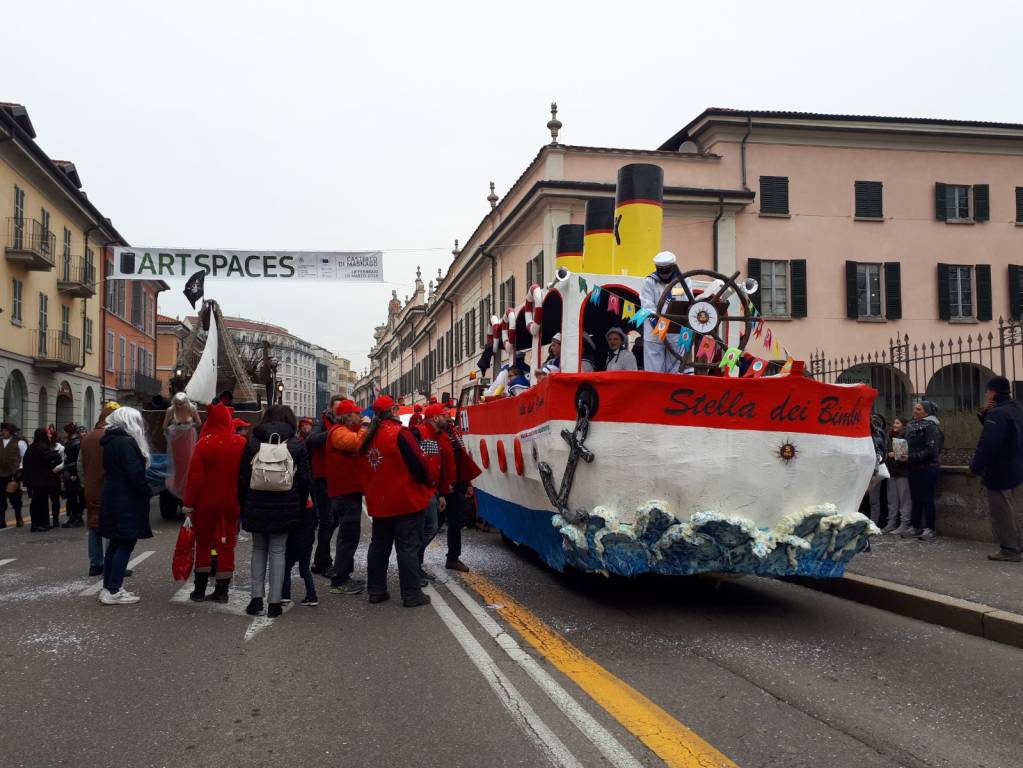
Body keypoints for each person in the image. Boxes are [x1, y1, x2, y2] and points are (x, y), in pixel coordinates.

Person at [360, 395, 437, 607]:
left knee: (379, 546)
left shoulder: (370, 435)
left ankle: (376, 590)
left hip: (380, 501)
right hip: (403, 499)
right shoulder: (399, 433)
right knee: (407, 547)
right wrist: (429, 482)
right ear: (394, 410)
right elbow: (418, 463)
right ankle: (411, 594)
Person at [237, 405, 310, 619]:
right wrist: (299, 503)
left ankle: (256, 599)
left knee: (258, 549)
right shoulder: (296, 444)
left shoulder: (253, 442)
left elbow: (242, 477)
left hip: (256, 502)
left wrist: (244, 503)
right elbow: (305, 479)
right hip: (286, 504)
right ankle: (275, 603)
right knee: (278, 551)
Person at [182, 403, 247, 602]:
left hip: (206, 503)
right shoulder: (240, 443)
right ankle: (222, 591)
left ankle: (199, 590)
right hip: (231, 502)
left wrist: (188, 505)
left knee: (203, 544)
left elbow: (194, 478)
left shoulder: (203, 443)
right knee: (227, 545)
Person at [98, 408, 153, 605]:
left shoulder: (111, 441)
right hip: (126, 499)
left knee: (115, 542)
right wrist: (147, 490)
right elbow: (135, 474)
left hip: (114, 495)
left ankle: (109, 587)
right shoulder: (127, 443)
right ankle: (114, 589)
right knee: (125, 542)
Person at [969, 377, 1023, 561]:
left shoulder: (998, 413)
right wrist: (985, 416)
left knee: (1002, 510)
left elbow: (989, 443)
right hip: (1016, 466)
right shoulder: (1015, 409)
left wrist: (975, 467)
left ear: (993, 392)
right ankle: (1017, 545)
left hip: (1001, 469)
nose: (985, 394)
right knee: (1013, 509)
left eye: (987, 391)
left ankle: (1009, 549)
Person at [327, 399, 368, 595]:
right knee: (348, 535)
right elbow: (358, 444)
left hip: (348, 491)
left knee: (350, 535)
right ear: (348, 416)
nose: (360, 416)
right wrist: (365, 428)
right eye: (356, 413)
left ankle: (344, 575)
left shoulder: (343, 430)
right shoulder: (338, 432)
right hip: (345, 492)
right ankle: (340, 579)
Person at [438, 405, 480, 572]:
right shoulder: (431, 435)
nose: (448, 417)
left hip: (458, 484)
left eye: (448, 415)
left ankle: (453, 558)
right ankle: (415, 561)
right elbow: (433, 464)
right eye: (444, 415)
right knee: (433, 525)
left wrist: (468, 483)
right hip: (442, 486)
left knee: (456, 522)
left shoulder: (454, 432)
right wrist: (440, 487)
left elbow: (463, 458)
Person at [80, 403, 119, 576]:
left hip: (91, 488)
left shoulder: (87, 437)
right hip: (111, 488)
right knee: (113, 527)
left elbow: (80, 467)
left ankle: (95, 564)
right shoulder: (113, 437)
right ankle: (112, 563)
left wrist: (86, 484)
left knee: (94, 526)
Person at [308, 395, 344, 575]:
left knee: (333, 519)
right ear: (330, 408)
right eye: (337, 409)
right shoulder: (321, 422)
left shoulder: (338, 424)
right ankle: (322, 561)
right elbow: (312, 439)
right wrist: (334, 432)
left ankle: (320, 558)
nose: (339, 413)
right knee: (327, 520)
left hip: (333, 477)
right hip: (321, 477)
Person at [412, 403, 446, 585]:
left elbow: (437, 465)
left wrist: (440, 493)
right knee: (427, 529)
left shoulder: (437, 435)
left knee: (429, 528)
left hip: (432, 490)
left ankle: (416, 565)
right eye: (443, 415)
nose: (447, 417)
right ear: (434, 418)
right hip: (422, 490)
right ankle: (413, 566)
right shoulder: (418, 433)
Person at [899, 401, 943, 540]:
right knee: (916, 499)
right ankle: (914, 526)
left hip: (928, 468)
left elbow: (931, 451)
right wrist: (898, 453)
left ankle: (930, 528)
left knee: (927, 498)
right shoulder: (912, 426)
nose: (915, 410)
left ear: (927, 412)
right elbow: (906, 444)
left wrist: (910, 457)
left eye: (919, 409)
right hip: (913, 467)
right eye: (915, 408)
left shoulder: (932, 427)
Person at [640, 251, 683, 373]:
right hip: (654, 331)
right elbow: (647, 306)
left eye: (667, 270)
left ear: (672, 267)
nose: (664, 274)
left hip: (675, 331)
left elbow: (685, 302)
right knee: (654, 371)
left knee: (675, 370)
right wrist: (661, 326)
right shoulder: (649, 282)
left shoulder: (683, 282)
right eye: (661, 270)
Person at [281, 497, 318, 606]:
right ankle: (312, 596)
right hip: (307, 543)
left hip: (293, 543)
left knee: (286, 568)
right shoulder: (311, 508)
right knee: (305, 570)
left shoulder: (292, 507)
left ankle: (285, 595)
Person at [22, 428, 61, 532]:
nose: (49, 436)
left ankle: (36, 523)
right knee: (41, 501)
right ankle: (41, 523)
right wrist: (57, 455)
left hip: (33, 479)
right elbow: (47, 457)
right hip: (41, 479)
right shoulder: (42, 446)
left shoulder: (32, 447)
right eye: (47, 434)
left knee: (36, 501)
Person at [883, 417, 912, 535]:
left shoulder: (906, 435)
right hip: (891, 471)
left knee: (904, 498)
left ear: (903, 425)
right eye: (894, 422)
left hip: (902, 471)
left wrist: (894, 455)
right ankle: (891, 522)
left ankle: (904, 523)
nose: (894, 425)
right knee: (892, 499)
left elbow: (904, 454)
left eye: (897, 423)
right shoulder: (889, 436)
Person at [0, 422, 26, 528]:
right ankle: (1, 521)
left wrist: (20, 470)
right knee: (0, 499)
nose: (3, 432)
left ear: (11, 432)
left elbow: (24, 457)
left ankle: (18, 518)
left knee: (14, 498)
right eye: (2, 431)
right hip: (1, 474)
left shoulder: (20, 442)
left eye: (5, 431)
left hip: (13, 474)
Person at [62, 424, 85, 527]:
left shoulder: (76, 443)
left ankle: (76, 517)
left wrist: (72, 471)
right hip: (70, 472)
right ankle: (75, 517)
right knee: (73, 496)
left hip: (73, 473)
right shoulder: (72, 442)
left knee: (75, 496)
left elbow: (78, 460)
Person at [867, 414, 888, 526]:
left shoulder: (878, 433)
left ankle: (873, 522)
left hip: (875, 468)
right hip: (866, 467)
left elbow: (883, 450)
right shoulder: (865, 432)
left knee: (873, 499)